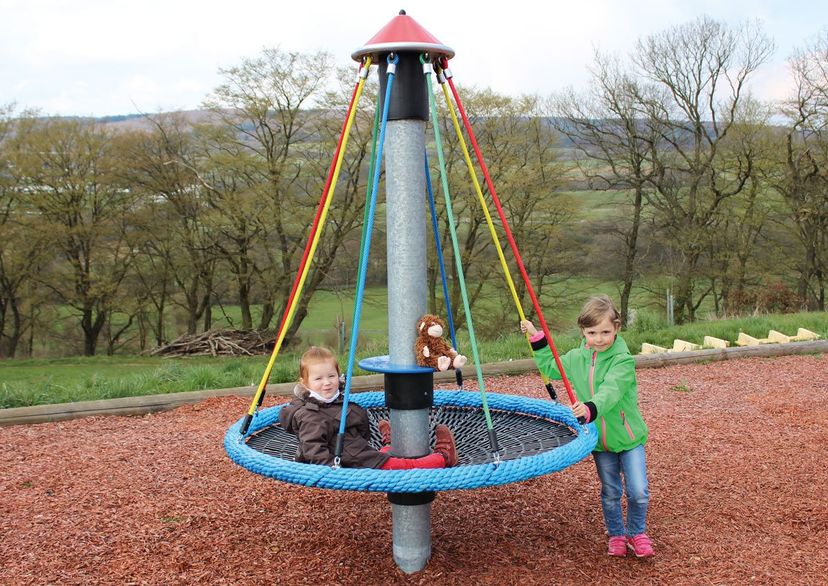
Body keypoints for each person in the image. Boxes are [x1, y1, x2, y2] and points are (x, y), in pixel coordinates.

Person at [520, 295, 654, 558]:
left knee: (638, 490)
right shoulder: (576, 358)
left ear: (617, 328)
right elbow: (550, 366)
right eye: (592, 332)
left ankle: (637, 533)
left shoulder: (623, 361)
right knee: (611, 490)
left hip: (628, 438)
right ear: (583, 332)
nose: (599, 338)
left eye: (606, 332)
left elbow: (611, 391)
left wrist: (590, 408)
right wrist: (537, 337)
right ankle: (616, 534)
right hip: (600, 442)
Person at [279, 346, 458, 470]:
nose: (327, 383)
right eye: (318, 379)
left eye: (331, 376)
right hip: (350, 461)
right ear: (305, 383)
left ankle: (388, 446)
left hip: (357, 453)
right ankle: (443, 457)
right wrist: (332, 469)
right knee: (405, 467)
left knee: (379, 457)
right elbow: (312, 448)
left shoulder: (332, 400)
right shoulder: (311, 416)